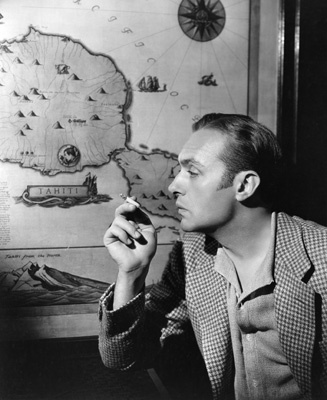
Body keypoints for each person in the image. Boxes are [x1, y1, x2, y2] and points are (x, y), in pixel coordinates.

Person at [98, 113, 327, 400]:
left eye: (192, 172)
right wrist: (132, 273)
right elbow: (124, 358)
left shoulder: (323, 260)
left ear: (244, 186)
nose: (173, 186)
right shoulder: (194, 253)